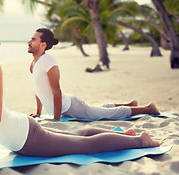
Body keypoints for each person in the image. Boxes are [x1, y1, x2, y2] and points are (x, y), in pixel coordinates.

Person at [0, 11, 159, 173]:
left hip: (25, 138)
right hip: (21, 129)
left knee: (83, 146)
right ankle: (126, 136)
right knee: (76, 136)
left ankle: (140, 141)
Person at [28, 28, 160, 121]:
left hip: (70, 106)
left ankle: (148, 108)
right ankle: (130, 104)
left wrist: (56, 119)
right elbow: (37, 89)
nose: (29, 42)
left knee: (104, 114)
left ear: (43, 44)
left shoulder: (48, 60)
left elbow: (56, 91)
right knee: (96, 109)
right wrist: (38, 112)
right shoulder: (33, 64)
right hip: (65, 109)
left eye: (33, 40)